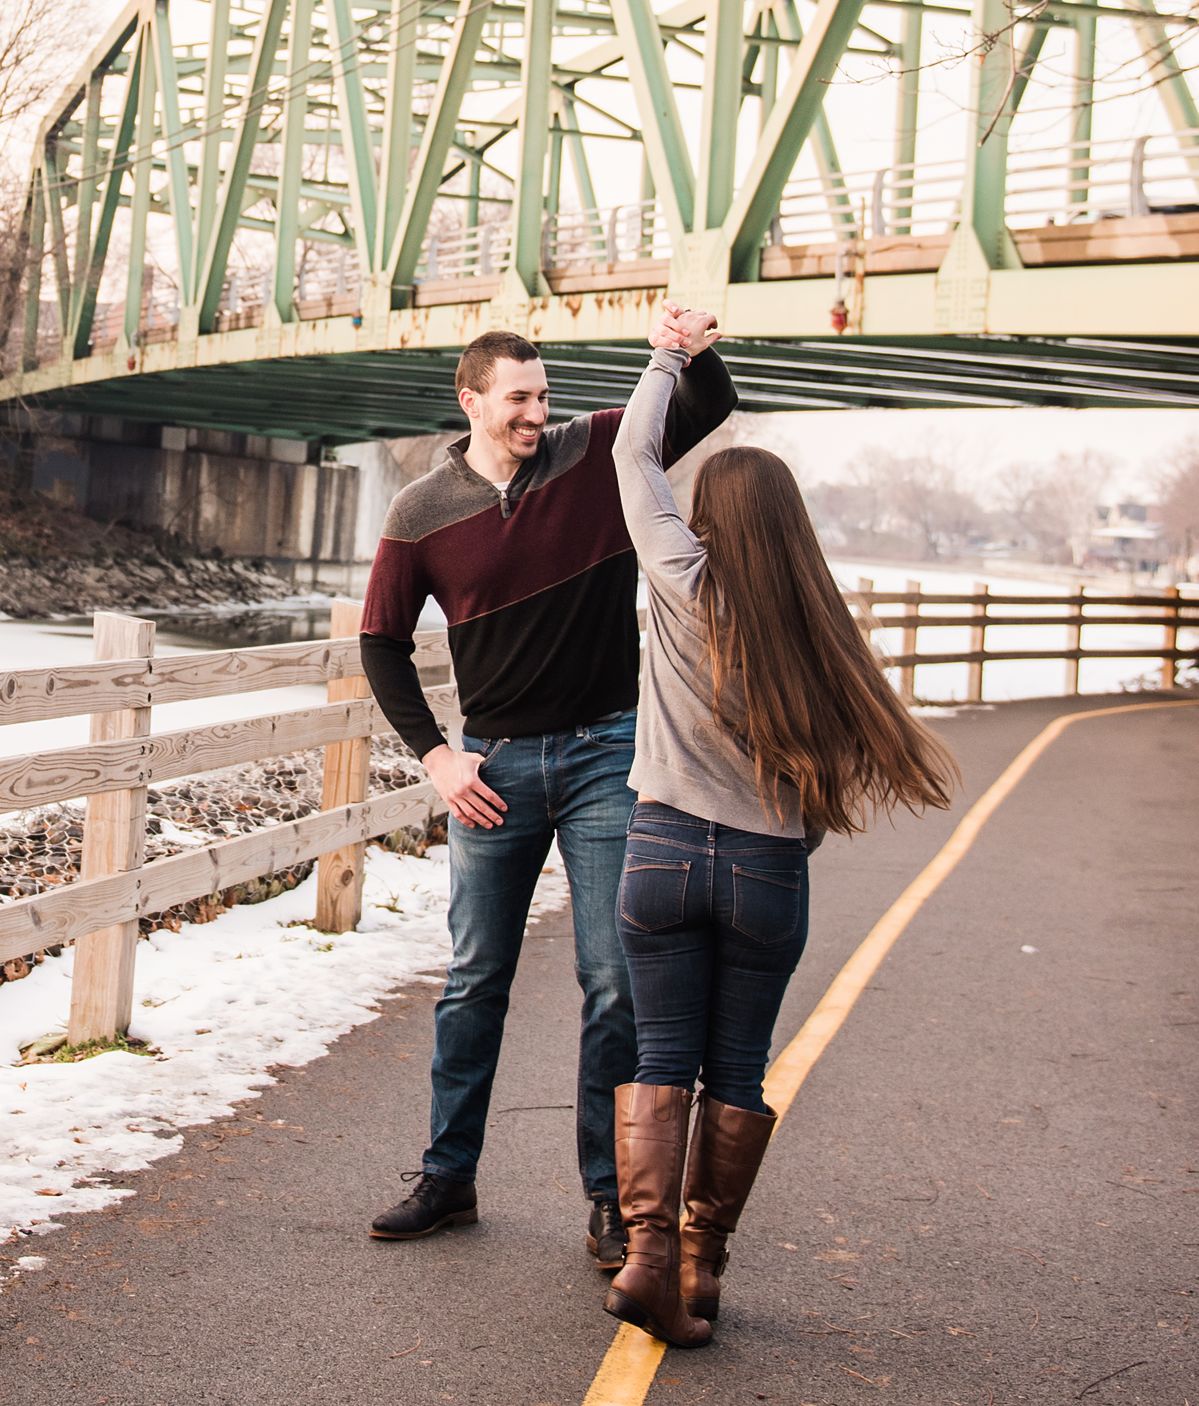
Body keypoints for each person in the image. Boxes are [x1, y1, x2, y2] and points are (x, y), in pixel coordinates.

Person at [604, 308, 958, 1349]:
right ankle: (701, 1268)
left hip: (659, 849)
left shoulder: (679, 579)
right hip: (763, 867)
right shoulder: (810, 621)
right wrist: (781, 844)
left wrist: (670, 353)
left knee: (660, 1051)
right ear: (790, 526)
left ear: (708, 513)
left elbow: (632, 451)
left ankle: (644, 1257)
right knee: (736, 1068)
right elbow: (831, 768)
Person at [359, 324, 737, 1262]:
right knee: (474, 979)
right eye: (517, 398)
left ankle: (611, 1200)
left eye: (542, 395)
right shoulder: (420, 511)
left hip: (609, 756)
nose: (536, 413)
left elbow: (706, 407)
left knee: (613, 982)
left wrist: (690, 349)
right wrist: (435, 757)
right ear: (472, 402)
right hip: (491, 770)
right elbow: (380, 642)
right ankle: (448, 1180)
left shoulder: (599, 457)